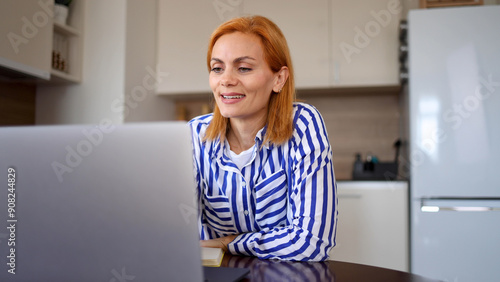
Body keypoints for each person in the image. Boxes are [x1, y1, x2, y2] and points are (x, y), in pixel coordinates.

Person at [189, 15, 337, 261]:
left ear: (278, 78)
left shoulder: (302, 124)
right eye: (217, 68)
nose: (226, 80)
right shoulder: (195, 136)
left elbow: (312, 243)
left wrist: (229, 243)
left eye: (244, 68)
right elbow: (171, 233)